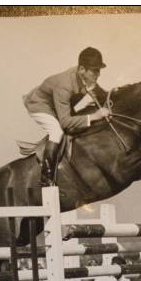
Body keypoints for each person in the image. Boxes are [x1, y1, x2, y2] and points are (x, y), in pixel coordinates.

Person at [23, 47, 112, 186]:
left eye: (98, 70)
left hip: (58, 104)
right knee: (57, 131)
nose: (98, 74)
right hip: (39, 105)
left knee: (87, 109)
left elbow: (101, 93)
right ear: (82, 69)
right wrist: (94, 116)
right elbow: (65, 122)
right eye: (94, 70)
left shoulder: (83, 77)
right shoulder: (64, 85)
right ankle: (46, 177)